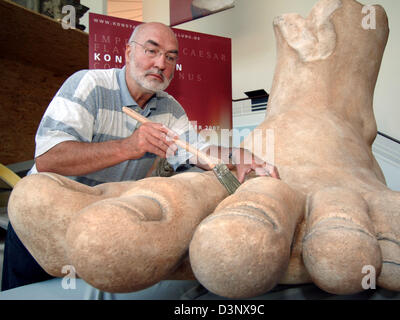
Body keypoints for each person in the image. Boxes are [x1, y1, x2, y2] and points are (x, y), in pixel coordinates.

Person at [1, 22, 279, 291]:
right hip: (46, 218)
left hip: (103, 224)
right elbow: (49, 159)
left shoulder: (170, 109)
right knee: (27, 294)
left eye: (170, 57)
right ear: (128, 52)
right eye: (151, 50)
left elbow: (199, 152)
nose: (161, 64)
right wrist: (129, 147)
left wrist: (236, 154)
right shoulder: (89, 85)